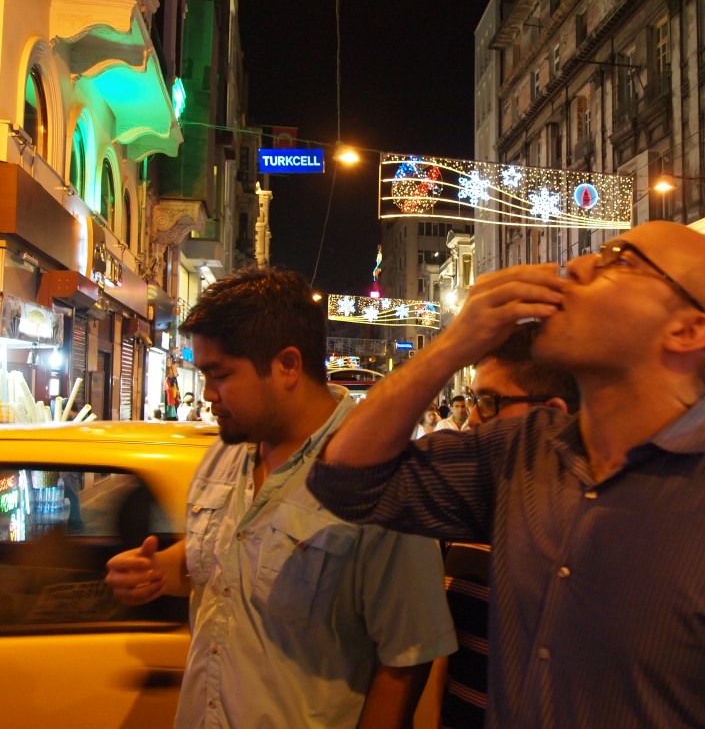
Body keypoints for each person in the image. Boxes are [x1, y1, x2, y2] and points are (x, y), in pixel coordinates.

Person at [308, 221, 705, 727]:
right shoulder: (519, 451)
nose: (578, 266)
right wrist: (451, 346)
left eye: (618, 261)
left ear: (686, 331)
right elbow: (345, 482)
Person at [104, 267, 456, 729]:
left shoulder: (380, 479)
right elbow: (226, 564)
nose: (208, 394)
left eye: (220, 375)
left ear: (288, 365)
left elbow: (408, 655)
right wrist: (157, 572)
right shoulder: (225, 455)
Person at [441, 324, 579, 729]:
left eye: (488, 403)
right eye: (474, 402)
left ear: (552, 413)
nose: (470, 424)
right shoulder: (461, 511)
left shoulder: (599, 526)